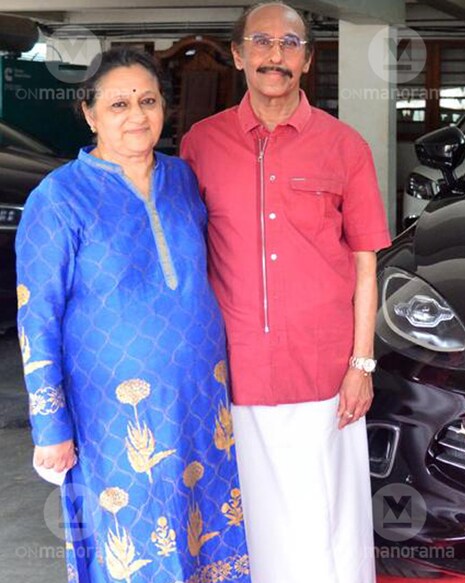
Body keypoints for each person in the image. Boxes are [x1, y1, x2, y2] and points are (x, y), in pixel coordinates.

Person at [18, 47, 250, 583]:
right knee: (135, 543)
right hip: (116, 418)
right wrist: (50, 426)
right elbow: (37, 318)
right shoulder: (58, 200)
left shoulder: (182, 181)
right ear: (90, 114)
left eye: (147, 100)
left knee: (209, 534)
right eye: (118, 103)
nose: (136, 114)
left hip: (199, 402)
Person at [180, 3, 391, 582]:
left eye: (290, 43)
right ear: (240, 54)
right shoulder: (201, 145)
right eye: (263, 42)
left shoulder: (345, 146)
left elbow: (367, 263)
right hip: (235, 370)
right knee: (246, 516)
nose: (276, 55)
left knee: (329, 522)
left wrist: (361, 364)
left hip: (325, 373)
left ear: (308, 59)